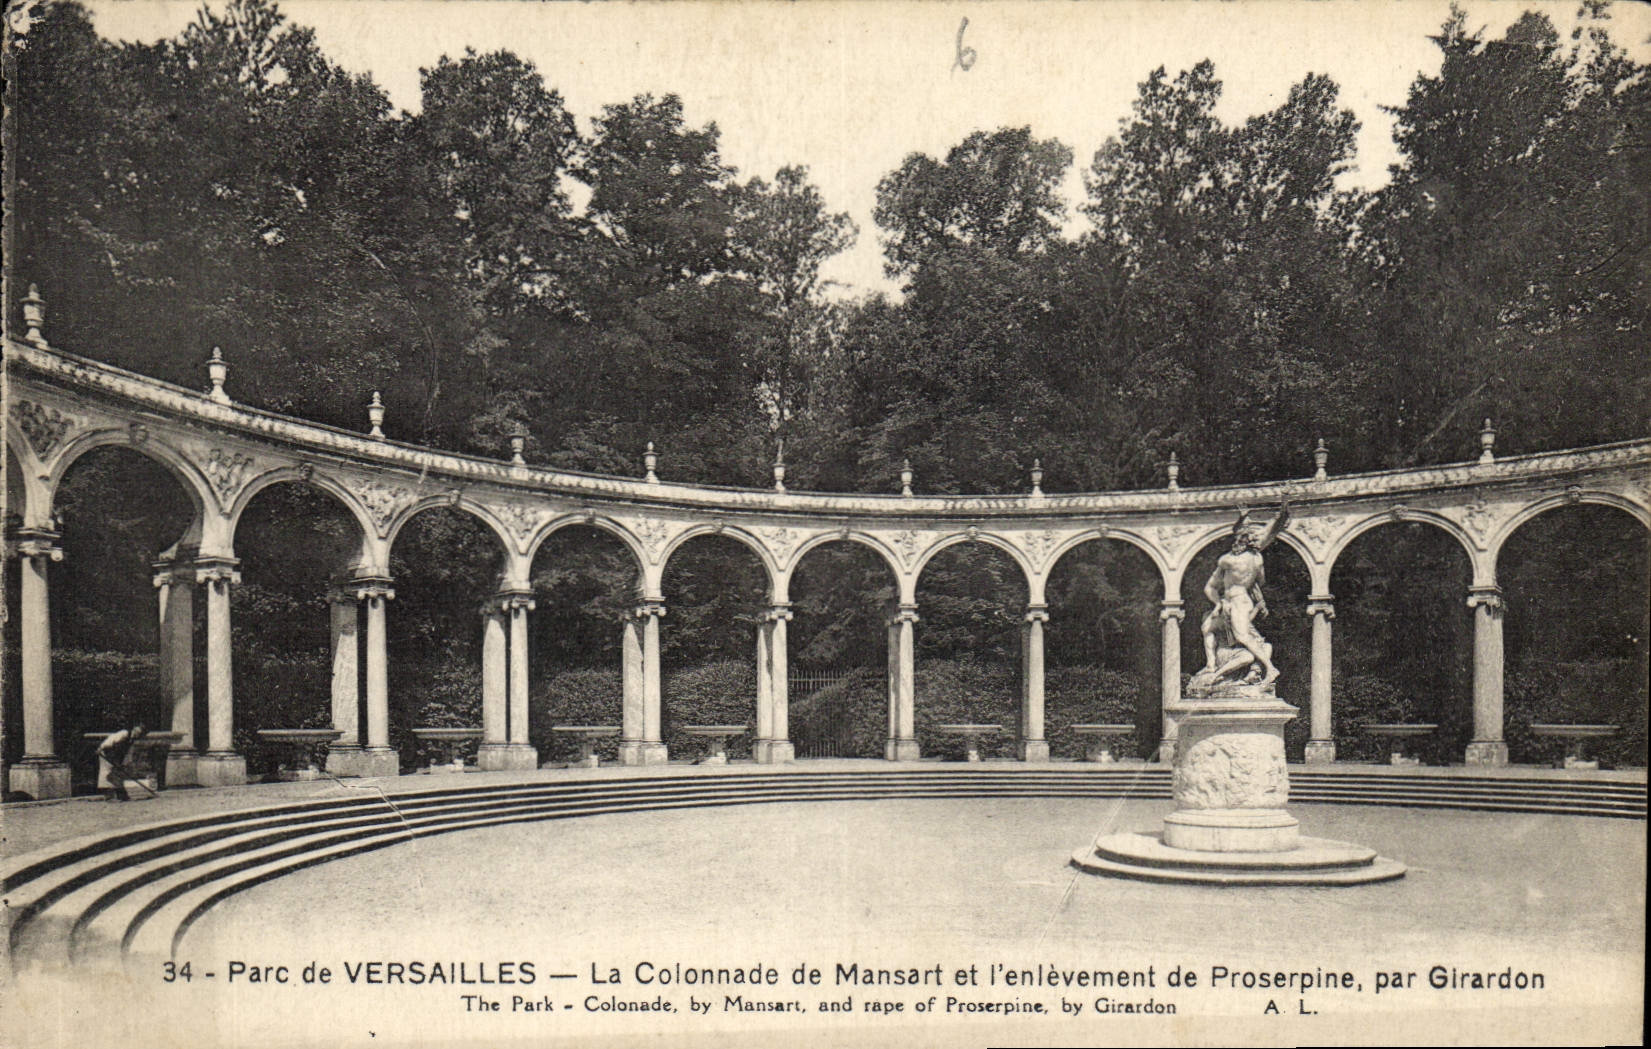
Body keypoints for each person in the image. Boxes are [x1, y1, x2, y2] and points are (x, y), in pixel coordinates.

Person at [1199, 502, 1291, 689]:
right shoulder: (1257, 559)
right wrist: (1219, 604)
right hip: (1236, 601)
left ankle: (1270, 668)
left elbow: (1211, 587)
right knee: (1207, 626)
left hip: (1238, 602)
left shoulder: (1228, 560)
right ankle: (1210, 665)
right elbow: (1260, 580)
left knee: (1242, 635)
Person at [98, 723, 148, 801]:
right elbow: (110, 742)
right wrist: (103, 749)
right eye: (137, 732)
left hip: (115, 756)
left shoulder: (131, 740)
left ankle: (121, 795)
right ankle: (109, 796)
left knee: (117, 773)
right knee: (107, 773)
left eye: (140, 734)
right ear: (134, 729)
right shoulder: (124, 733)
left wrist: (122, 764)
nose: (137, 734)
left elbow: (127, 753)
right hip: (106, 752)